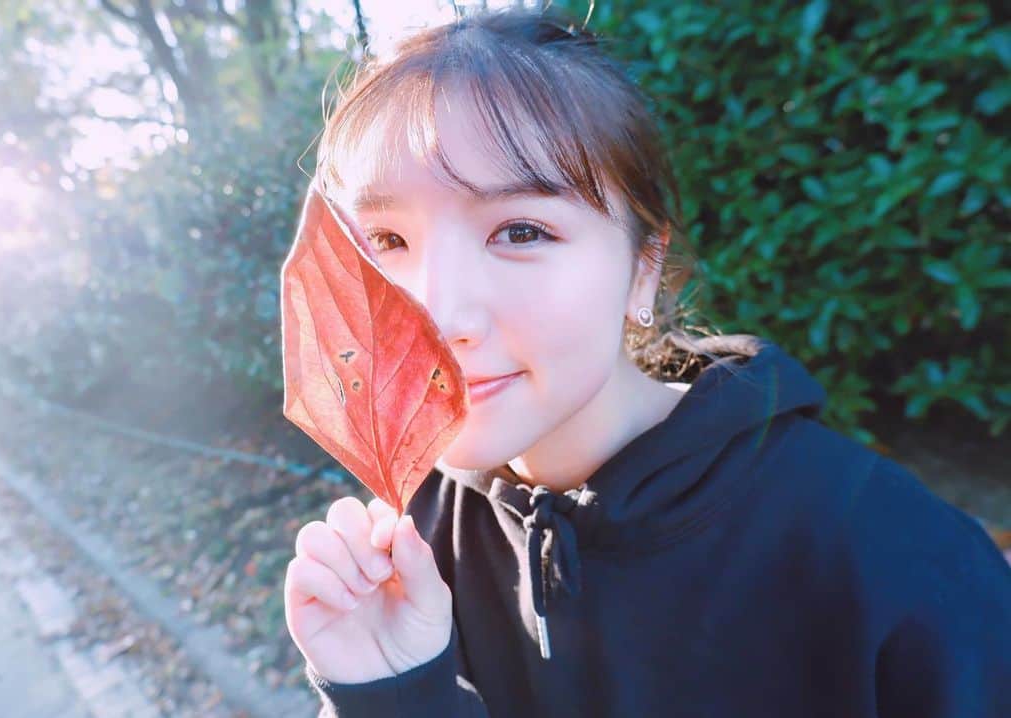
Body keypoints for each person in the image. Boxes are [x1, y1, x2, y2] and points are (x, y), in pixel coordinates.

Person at [282, 8, 1011, 717]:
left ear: (643, 268)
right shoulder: (410, 545)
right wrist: (394, 692)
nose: (438, 318)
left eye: (521, 231)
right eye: (385, 242)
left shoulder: (891, 557)